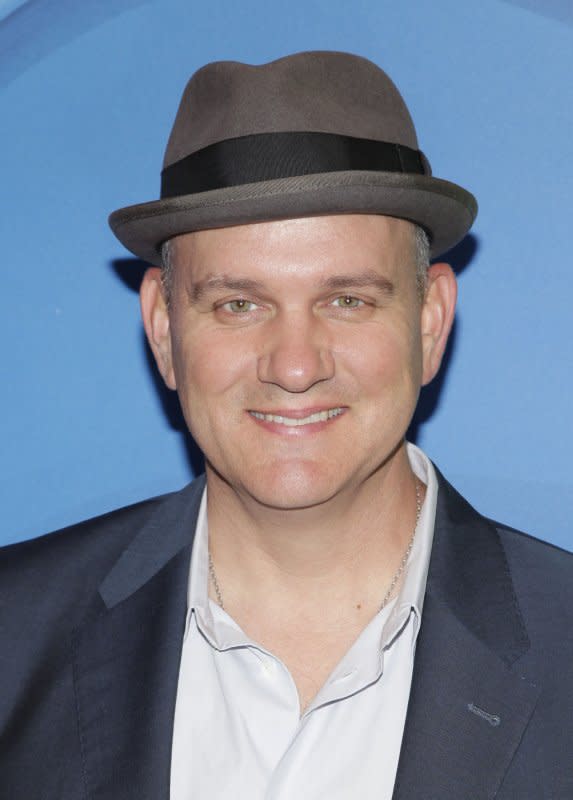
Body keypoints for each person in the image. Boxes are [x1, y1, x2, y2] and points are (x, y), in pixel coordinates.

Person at [1, 51, 571, 800]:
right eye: (239, 304)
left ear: (429, 322)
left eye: (347, 301)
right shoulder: (13, 639)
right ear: (164, 330)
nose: (294, 366)